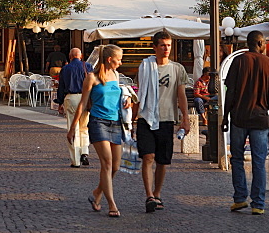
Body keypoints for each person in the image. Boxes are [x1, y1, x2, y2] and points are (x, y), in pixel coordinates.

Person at [67, 44, 130, 218]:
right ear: (110, 59)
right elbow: (82, 104)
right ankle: (112, 204)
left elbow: (117, 97)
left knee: (115, 166)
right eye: (119, 59)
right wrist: (73, 128)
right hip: (98, 122)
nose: (121, 62)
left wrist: (126, 102)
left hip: (115, 122)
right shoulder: (92, 78)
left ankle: (97, 193)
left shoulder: (116, 75)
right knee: (107, 163)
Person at [222, 30, 269, 215]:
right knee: (259, 161)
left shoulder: (238, 61)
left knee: (237, 159)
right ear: (261, 43)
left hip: (239, 117)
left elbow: (229, 92)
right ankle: (258, 203)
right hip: (261, 119)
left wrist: (225, 117)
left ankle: (240, 198)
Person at [134, 31, 190, 214]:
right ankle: (149, 195)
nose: (166, 49)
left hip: (167, 118)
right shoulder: (145, 67)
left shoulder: (177, 69)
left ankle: (157, 193)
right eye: (162, 45)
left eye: (168, 45)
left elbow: (181, 95)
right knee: (148, 157)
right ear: (154, 47)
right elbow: (138, 93)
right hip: (146, 117)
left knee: (162, 160)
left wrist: (185, 118)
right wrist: (131, 118)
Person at [56, 48, 93, 167]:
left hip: (71, 98)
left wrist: (60, 102)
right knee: (84, 127)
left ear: (70, 56)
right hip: (86, 98)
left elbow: (61, 87)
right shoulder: (88, 66)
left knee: (73, 128)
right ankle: (84, 152)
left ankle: (75, 160)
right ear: (81, 56)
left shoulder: (65, 69)